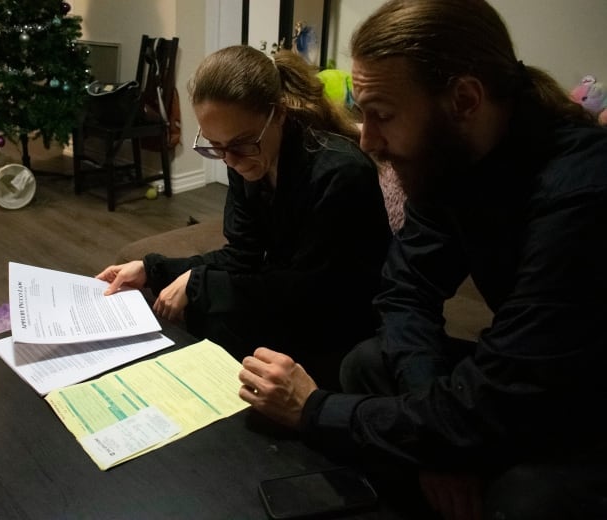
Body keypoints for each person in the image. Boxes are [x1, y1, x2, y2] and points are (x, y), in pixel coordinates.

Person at [238, 1, 607, 518]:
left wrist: (314, 409)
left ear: (464, 99)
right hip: (529, 384)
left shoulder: (581, 194)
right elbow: (407, 288)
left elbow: (512, 393)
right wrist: (438, 435)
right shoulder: (453, 156)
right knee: (367, 362)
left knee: (527, 498)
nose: (366, 139)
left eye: (382, 115)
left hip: (587, 401)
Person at [96, 45, 392, 391]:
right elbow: (241, 256)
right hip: (295, 300)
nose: (230, 161)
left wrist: (198, 283)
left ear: (278, 114)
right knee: (188, 315)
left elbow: (309, 291)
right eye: (215, 146)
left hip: (339, 317)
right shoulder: (245, 160)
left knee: (207, 318)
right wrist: (152, 268)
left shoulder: (340, 173)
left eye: (241, 143)